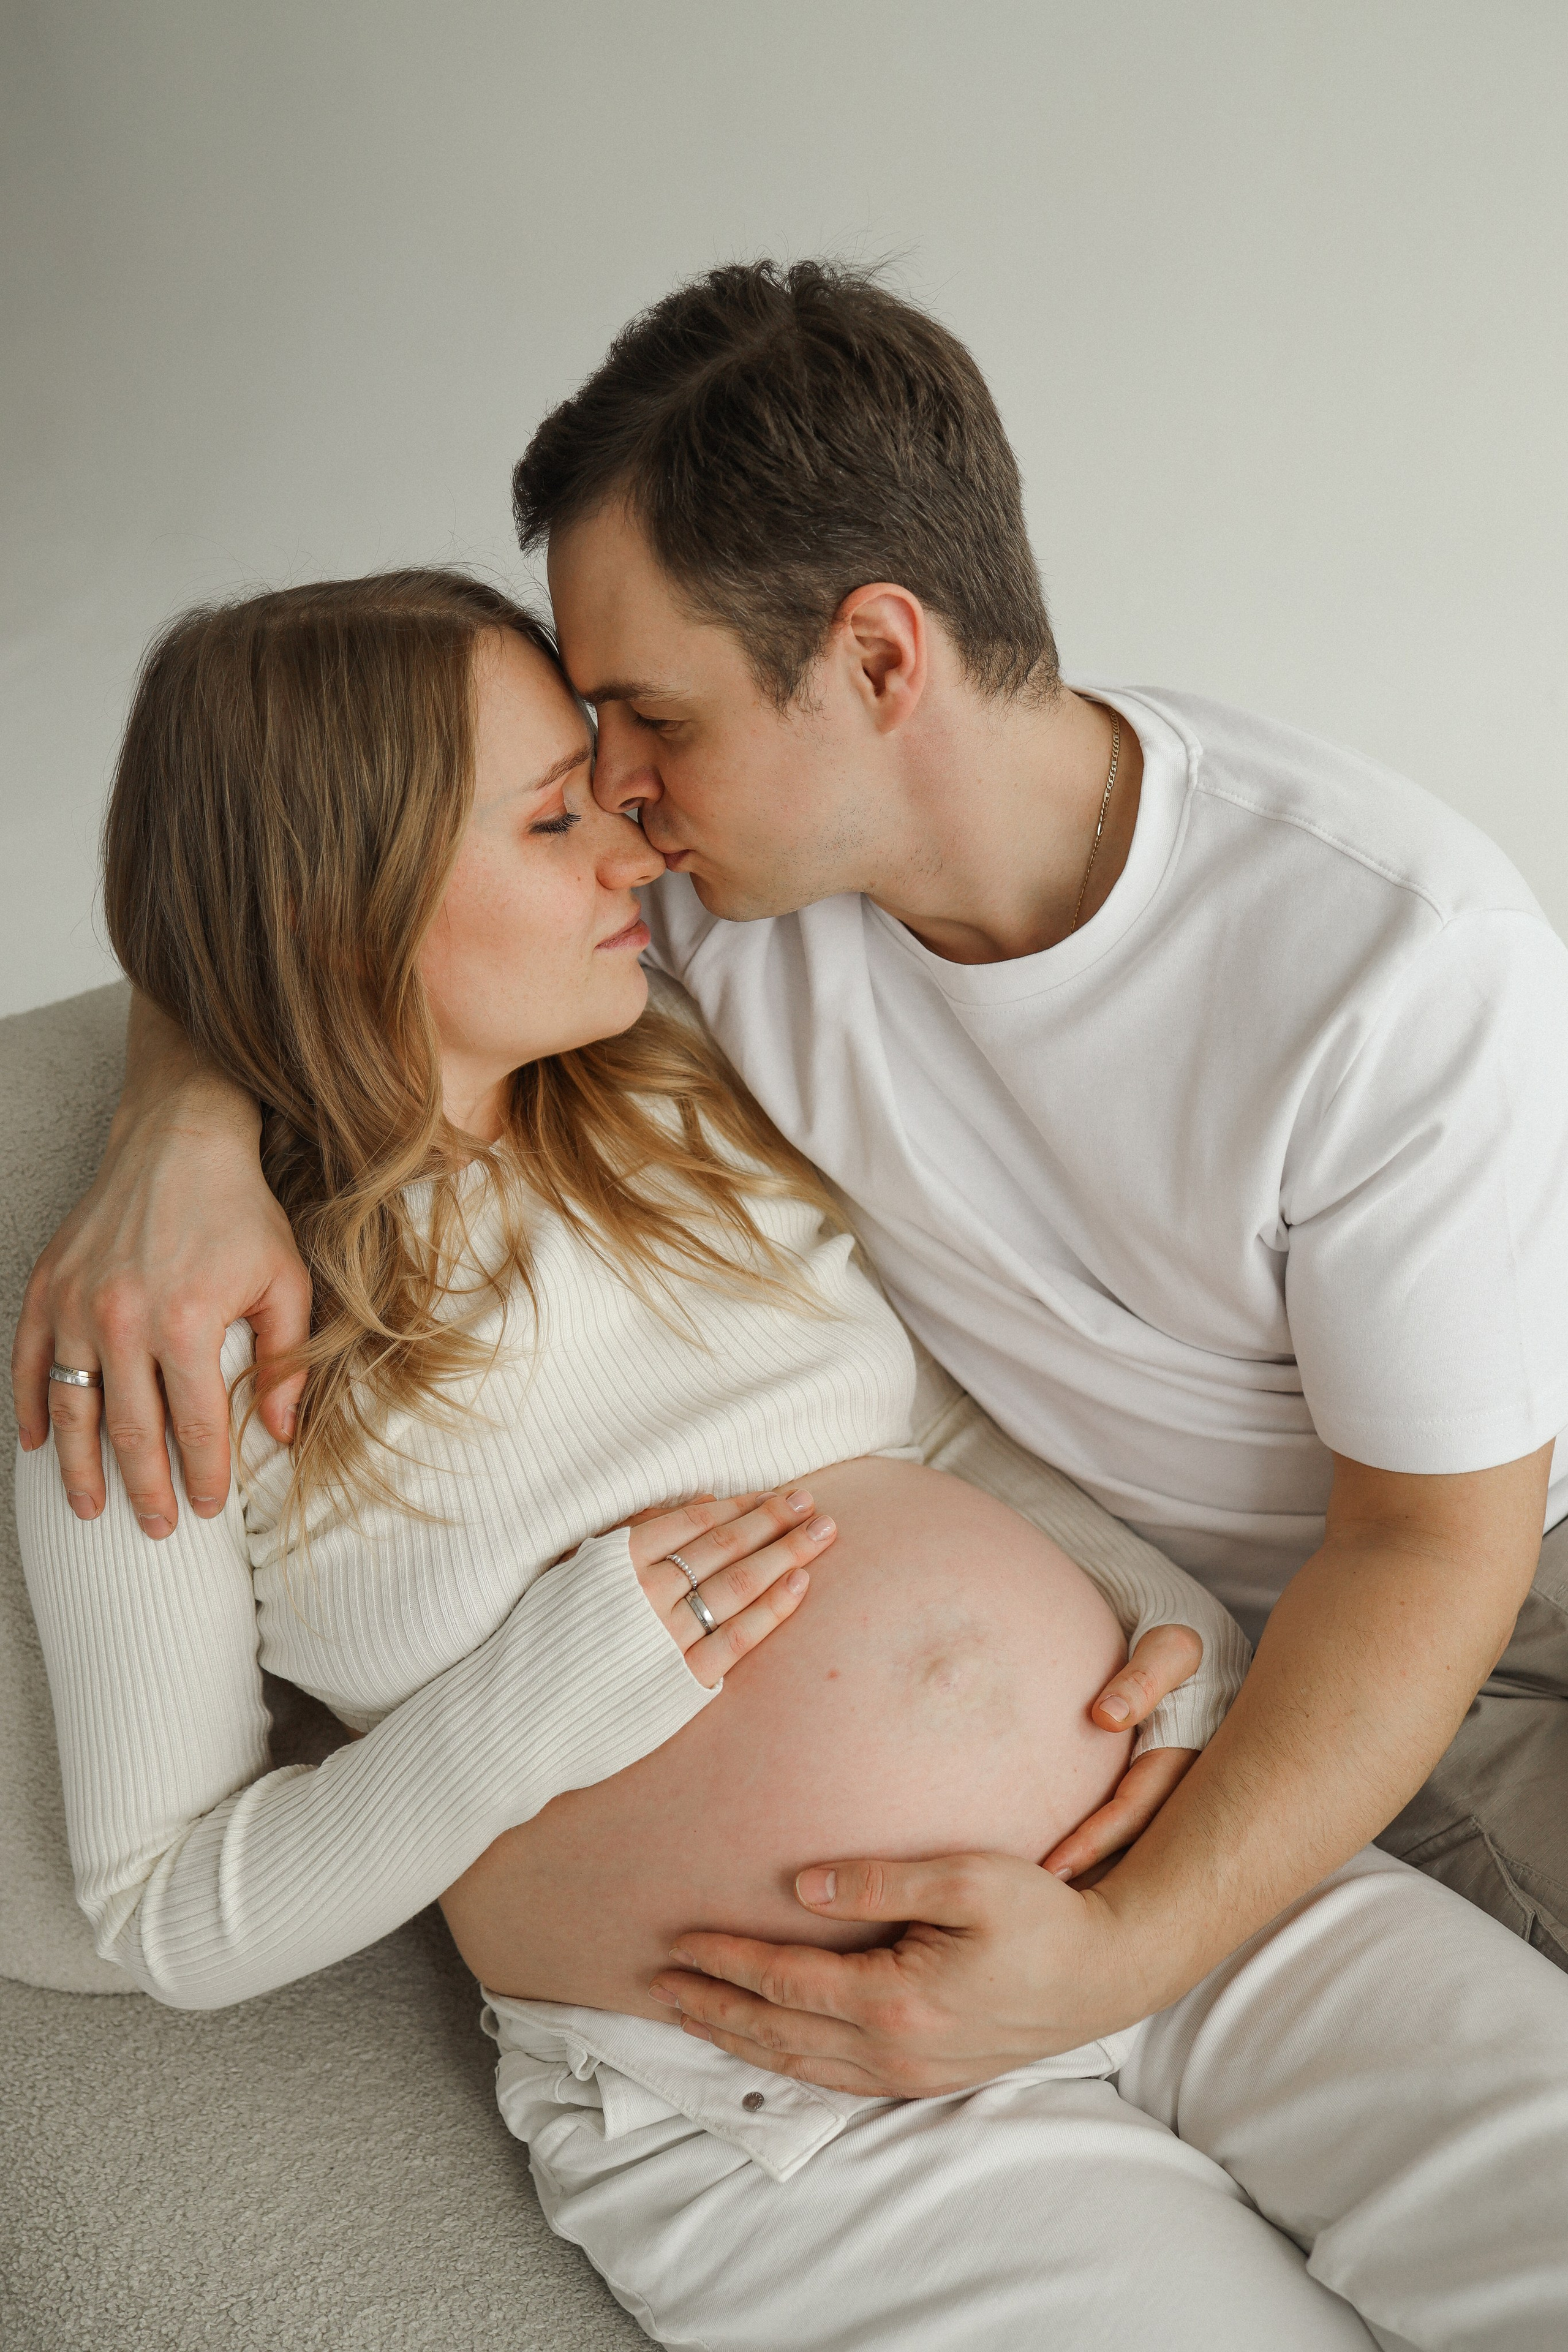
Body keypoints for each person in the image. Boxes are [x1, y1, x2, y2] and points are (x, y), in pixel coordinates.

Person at [17, 569, 1568, 2352]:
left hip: (1154, 1868)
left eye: (609, 783)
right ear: (333, 906)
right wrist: (522, 1712)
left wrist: (1157, 1632)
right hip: (778, 2098)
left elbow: (935, 1420)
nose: (635, 850)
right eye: (554, 819)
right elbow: (154, 1911)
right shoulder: (158, 1352)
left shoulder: (679, 1082)